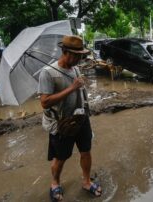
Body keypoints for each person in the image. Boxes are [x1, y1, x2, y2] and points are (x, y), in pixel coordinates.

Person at [38, 35, 102, 202]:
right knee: (61, 157)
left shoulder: (75, 68)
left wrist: (80, 87)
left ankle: (87, 181)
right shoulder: (47, 73)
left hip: (81, 118)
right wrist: (72, 87)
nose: (80, 58)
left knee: (86, 151)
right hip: (61, 123)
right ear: (65, 52)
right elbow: (44, 102)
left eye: (81, 55)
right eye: (77, 55)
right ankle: (54, 183)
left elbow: (78, 91)